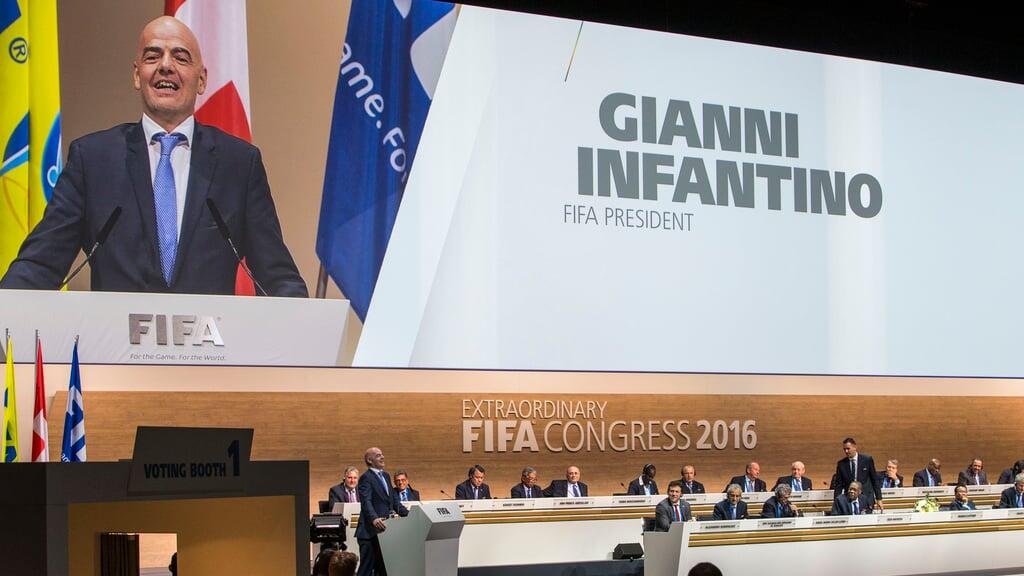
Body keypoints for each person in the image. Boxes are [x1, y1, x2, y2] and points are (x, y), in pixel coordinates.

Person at [0, 16, 306, 297]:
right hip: (114, 339)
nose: (165, 66)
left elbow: (278, 276)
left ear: (201, 80)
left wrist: (303, 323)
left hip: (210, 339)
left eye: (180, 57)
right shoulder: (92, 160)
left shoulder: (238, 163)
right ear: (137, 75)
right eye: (152, 56)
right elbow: (39, 266)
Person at [355, 447, 407, 576]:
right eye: (378, 455)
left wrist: (411, 515)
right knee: (366, 570)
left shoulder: (386, 476)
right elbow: (366, 501)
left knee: (384, 569)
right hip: (370, 532)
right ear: (369, 460)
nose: (382, 457)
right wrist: (374, 518)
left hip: (385, 532)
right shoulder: (366, 478)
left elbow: (394, 501)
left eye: (382, 454)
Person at [832, 437, 882, 508]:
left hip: (866, 498)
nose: (846, 451)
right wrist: (836, 502)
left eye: (848, 448)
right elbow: (838, 486)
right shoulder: (841, 464)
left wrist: (879, 498)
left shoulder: (867, 460)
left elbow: (874, 480)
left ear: (855, 447)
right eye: (844, 449)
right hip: (849, 499)